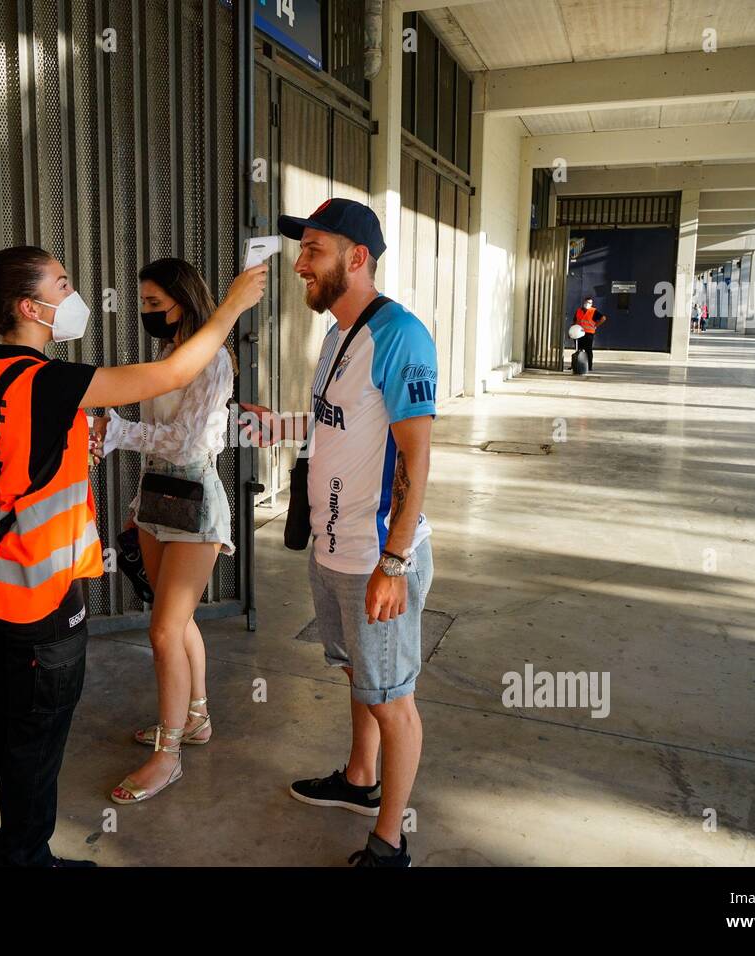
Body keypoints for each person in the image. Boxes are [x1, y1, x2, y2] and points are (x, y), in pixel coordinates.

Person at [0, 246, 266, 867]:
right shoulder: (48, 381)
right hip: (42, 589)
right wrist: (231, 307)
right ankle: (26, 857)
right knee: (38, 729)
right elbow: (168, 377)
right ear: (31, 307)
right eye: (62, 283)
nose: (74, 293)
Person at [241, 198, 435, 867]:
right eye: (302, 250)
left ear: (357, 258)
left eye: (314, 249)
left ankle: (388, 844)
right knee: (359, 674)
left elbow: (415, 455)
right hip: (333, 547)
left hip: (375, 553)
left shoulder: (401, 335)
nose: (300, 263)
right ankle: (359, 780)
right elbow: (337, 422)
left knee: (393, 700)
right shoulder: (336, 336)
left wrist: (396, 561)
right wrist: (280, 427)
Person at [89, 258, 237, 804]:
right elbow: (160, 443)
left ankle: (168, 755)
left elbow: (189, 443)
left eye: (155, 303)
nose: (147, 313)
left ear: (185, 298)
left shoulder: (212, 358)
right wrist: (137, 503)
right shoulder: (167, 357)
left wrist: (116, 429)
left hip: (196, 502)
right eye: (144, 304)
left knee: (162, 631)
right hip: (156, 501)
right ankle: (195, 719)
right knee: (178, 622)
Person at [573, 296, 606, 371]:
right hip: (579, 333)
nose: (588, 304)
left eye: (590, 303)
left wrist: (596, 326)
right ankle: (577, 365)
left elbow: (603, 318)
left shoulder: (593, 311)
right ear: (583, 302)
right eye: (586, 302)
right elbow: (575, 321)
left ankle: (589, 366)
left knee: (588, 350)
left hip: (588, 334)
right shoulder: (578, 311)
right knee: (578, 350)